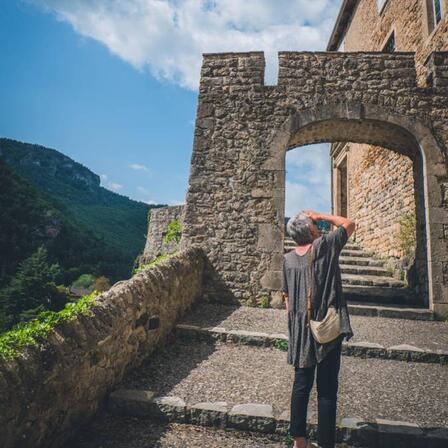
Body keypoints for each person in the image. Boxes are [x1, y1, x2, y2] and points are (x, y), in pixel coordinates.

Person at [282, 210, 355, 448]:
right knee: (326, 390)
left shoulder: (288, 259)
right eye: (314, 225)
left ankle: (299, 442)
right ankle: (325, 444)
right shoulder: (324, 246)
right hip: (326, 327)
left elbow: (287, 299)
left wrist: (298, 322)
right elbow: (349, 224)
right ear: (311, 230)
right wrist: (319, 214)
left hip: (300, 328)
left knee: (301, 385)